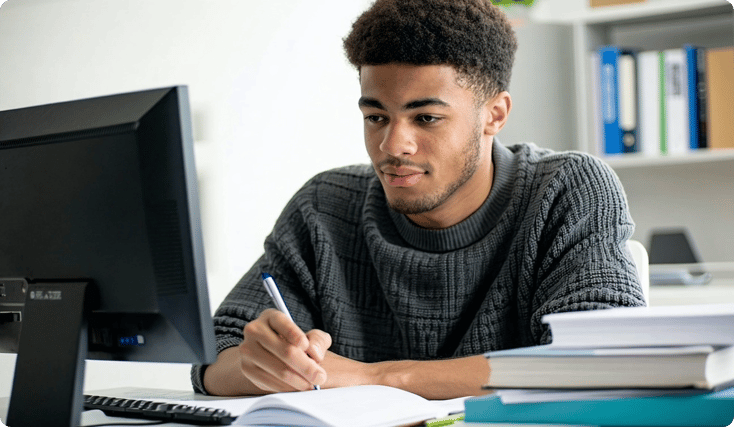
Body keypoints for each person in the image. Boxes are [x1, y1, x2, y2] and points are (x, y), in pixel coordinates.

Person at [192, 0, 645, 400]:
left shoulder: (566, 188)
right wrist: (262, 363)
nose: (393, 145)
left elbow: (601, 359)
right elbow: (213, 357)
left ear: (495, 114)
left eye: (425, 118)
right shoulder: (325, 206)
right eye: (375, 117)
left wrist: (378, 377)